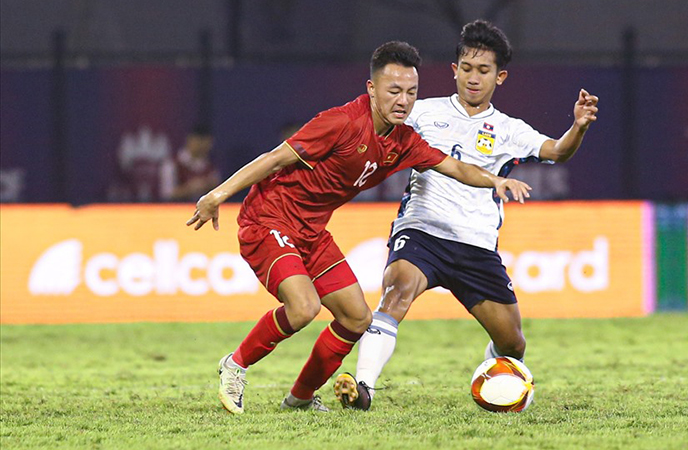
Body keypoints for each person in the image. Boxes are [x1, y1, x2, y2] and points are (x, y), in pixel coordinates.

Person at [186, 41, 533, 414]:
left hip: (312, 231)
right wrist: (216, 195)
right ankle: (235, 365)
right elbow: (273, 159)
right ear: (372, 89)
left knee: (357, 317)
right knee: (303, 308)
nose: (403, 101)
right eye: (394, 91)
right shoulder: (340, 123)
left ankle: (299, 398)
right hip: (269, 219)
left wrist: (494, 181)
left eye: (411, 92)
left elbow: (456, 168)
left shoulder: (404, 141)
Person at [335, 20, 599, 410]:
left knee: (513, 342)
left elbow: (557, 151)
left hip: (475, 245)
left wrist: (577, 126)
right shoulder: (422, 113)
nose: (474, 78)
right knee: (396, 291)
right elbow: (374, 129)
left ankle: (498, 381)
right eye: (468, 69)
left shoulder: (509, 130)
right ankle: (362, 387)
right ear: (455, 70)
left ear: (500, 76)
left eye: (484, 70)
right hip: (422, 231)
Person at [164, 124, 221, 201]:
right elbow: (167, 194)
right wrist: (190, 189)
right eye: (199, 142)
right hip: (176, 210)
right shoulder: (172, 164)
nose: (202, 146)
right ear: (190, 140)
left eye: (206, 143)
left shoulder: (210, 167)